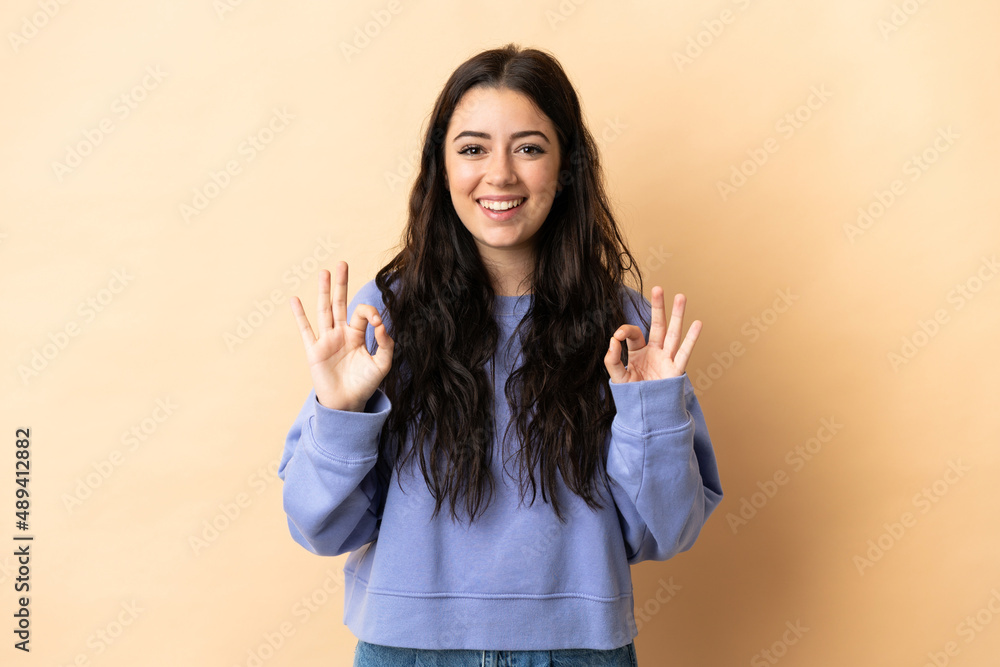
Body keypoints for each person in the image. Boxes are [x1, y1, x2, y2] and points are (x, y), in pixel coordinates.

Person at [278, 43, 723, 667]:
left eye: (530, 147)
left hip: (577, 653)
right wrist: (340, 410)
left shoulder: (628, 330)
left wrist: (649, 410)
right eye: (472, 148)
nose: (501, 175)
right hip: (409, 651)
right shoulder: (384, 315)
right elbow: (319, 528)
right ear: (442, 166)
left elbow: (664, 533)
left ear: (566, 166)